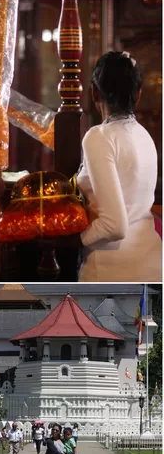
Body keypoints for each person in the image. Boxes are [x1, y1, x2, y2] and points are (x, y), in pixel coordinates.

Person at [73, 51, 162, 281]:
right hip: (154, 265)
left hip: (112, 272)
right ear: (138, 94)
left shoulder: (99, 136)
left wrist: (76, 239)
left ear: (94, 92)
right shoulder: (145, 135)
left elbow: (114, 226)